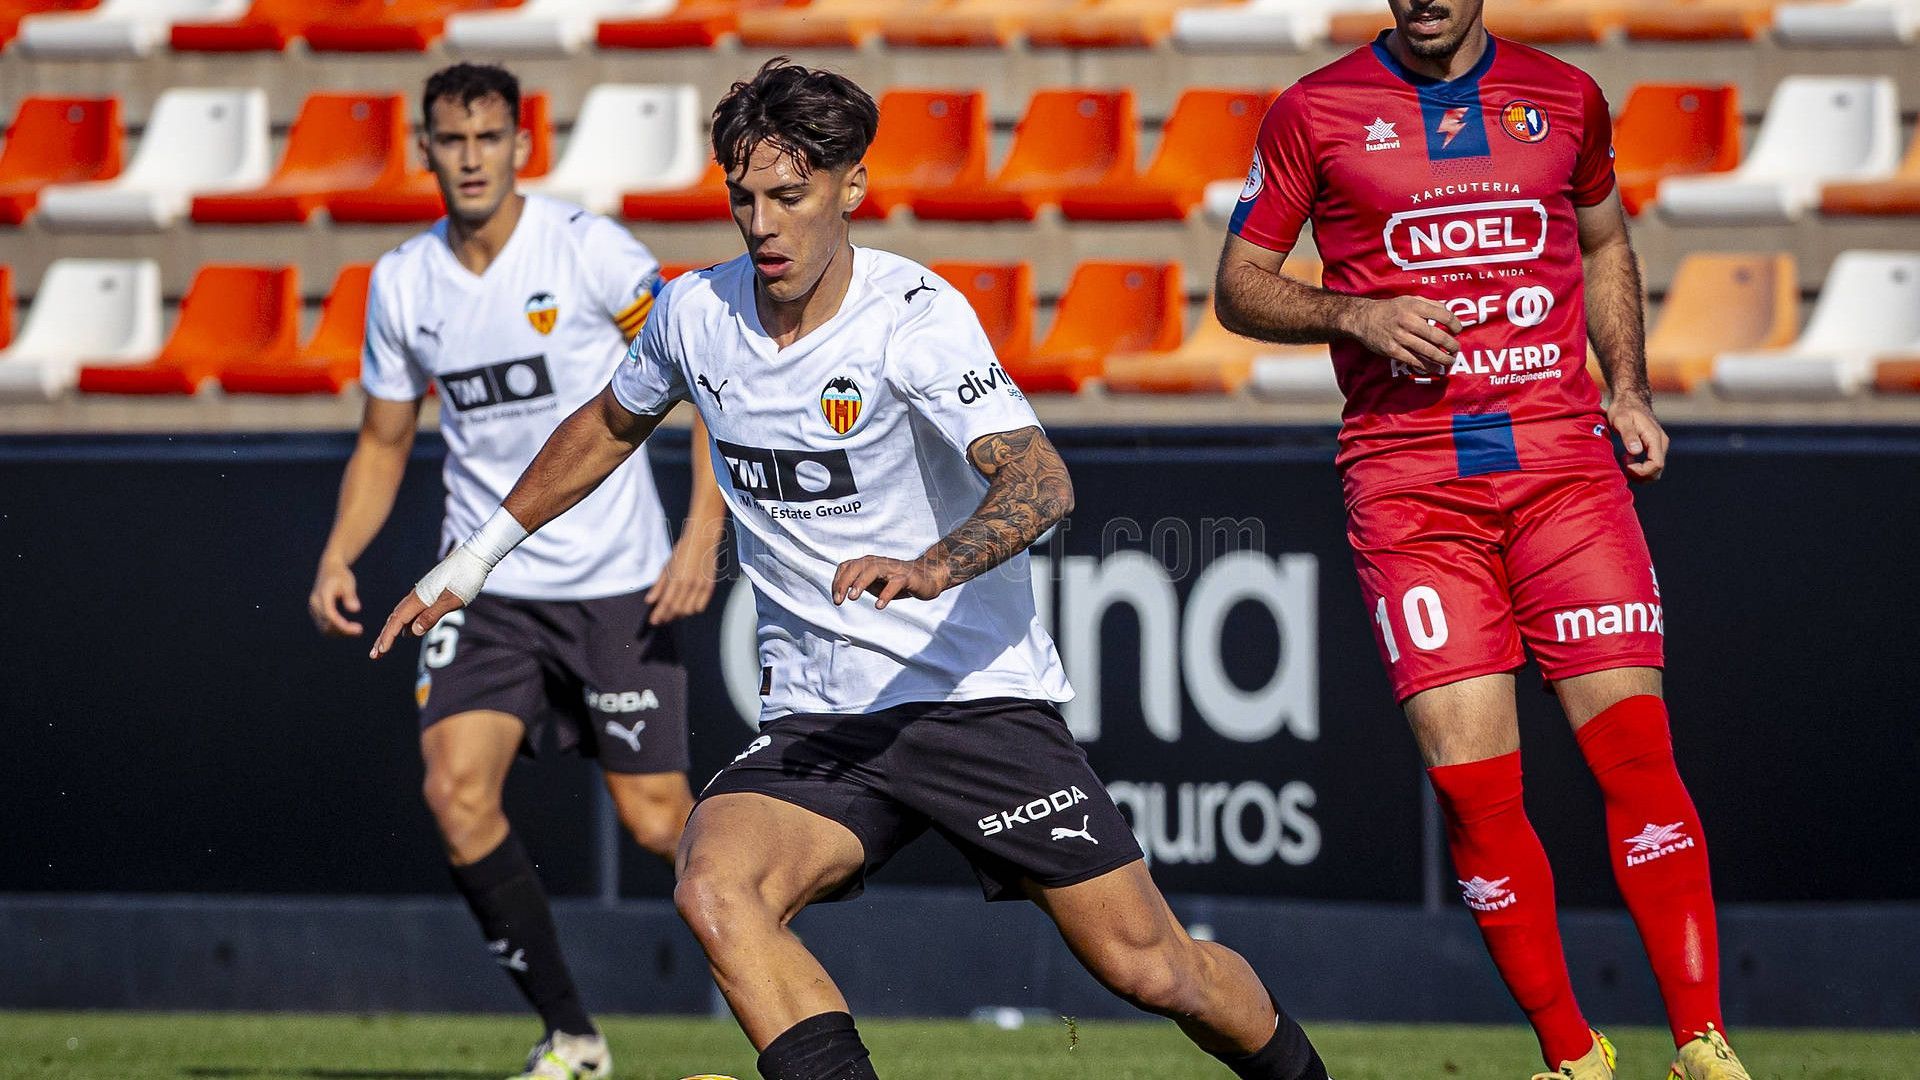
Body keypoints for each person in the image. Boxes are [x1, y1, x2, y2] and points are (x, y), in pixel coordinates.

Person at [372, 58, 1331, 1080]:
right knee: (714, 883)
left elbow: (1043, 484)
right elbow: (608, 424)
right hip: (825, 724)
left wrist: (930, 567)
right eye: (744, 199)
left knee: (1153, 971)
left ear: (851, 189)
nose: (764, 225)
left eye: (790, 196)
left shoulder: (915, 318)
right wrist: (472, 560)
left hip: (971, 702)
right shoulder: (697, 315)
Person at [1212, 3, 1749, 1079]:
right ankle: (1573, 1057)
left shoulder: (1566, 97)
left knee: (1636, 753)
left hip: (1562, 468)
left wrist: (1629, 389)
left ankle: (1702, 1044)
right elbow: (1237, 286)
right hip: (1410, 485)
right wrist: (1351, 316)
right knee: (1472, 784)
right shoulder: (1313, 111)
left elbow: (1605, 240)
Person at [308, 61, 726, 1080]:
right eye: (451, 140)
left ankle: (790, 977)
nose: (470, 158)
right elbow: (382, 438)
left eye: (488, 137)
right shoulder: (403, 283)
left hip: (614, 582)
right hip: (482, 587)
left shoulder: (590, 254)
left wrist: (702, 531)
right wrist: (339, 552)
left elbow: (704, 381)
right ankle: (573, 1037)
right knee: (455, 794)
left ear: (520, 145)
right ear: (424, 152)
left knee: (659, 822)